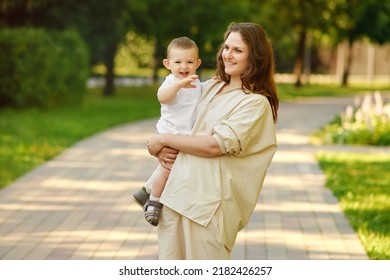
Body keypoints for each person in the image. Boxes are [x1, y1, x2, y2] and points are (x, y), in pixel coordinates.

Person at [138, 22, 279, 259]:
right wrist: (161, 147)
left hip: (207, 210)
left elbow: (215, 145)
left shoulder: (254, 103)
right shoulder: (212, 86)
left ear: (255, 57)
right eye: (226, 47)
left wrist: (162, 139)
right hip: (175, 197)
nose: (228, 55)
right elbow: (180, 117)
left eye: (238, 50)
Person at [133, 37, 202, 226]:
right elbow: (162, 98)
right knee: (168, 166)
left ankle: (144, 192)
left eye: (189, 62)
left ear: (197, 63)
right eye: (178, 62)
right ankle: (154, 201)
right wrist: (178, 85)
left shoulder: (197, 84)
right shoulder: (171, 82)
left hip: (185, 134)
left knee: (172, 164)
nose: (184, 66)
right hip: (170, 131)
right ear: (167, 64)